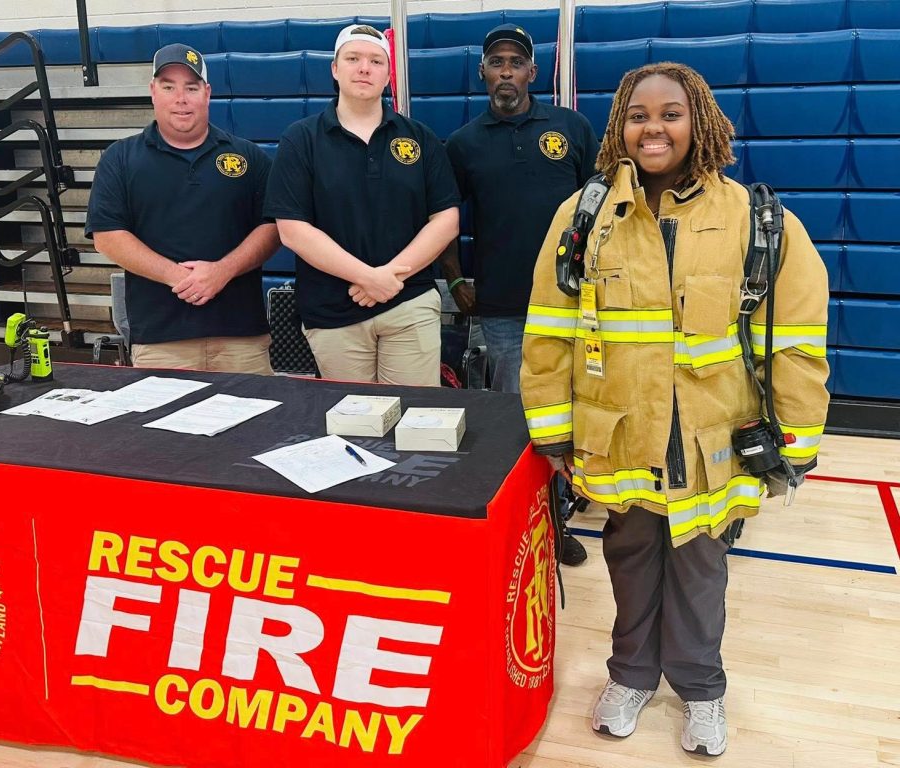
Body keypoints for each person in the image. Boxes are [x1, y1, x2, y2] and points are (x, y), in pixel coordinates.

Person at [520, 62, 830, 756]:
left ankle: (701, 689)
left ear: (702, 124)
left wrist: (799, 439)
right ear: (617, 128)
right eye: (637, 115)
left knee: (700, 572)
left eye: (669, 113)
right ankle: (629, 677)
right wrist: (553, 432)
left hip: (709, 440)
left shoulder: (756, 219)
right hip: (620, 436)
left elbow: (799, 342)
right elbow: (547, 334)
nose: (652, 126)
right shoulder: (582, 217)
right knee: (629, 562)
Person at [443, 23, 598, 566]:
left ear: (533, 73)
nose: (506, 71)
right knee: (525, 422)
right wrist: (457, 279)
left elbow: (603, 209)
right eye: (496, 63)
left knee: (576, 415)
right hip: (505, 309)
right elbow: (442, 219)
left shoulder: (572, 128)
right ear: (483, 73)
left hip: (574, 302)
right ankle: (525, 526)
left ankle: (558, 524)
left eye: (516, 63)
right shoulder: (462, 145)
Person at [264, 24, 460, 386]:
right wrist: (367, 277)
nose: (364, 68)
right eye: (353, 59)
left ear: (388, 74)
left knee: (414, 421)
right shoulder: (301, 139)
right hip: (332, 311)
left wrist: (390, 277)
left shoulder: (419, 137)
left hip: (408, 302)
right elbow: (292, 229)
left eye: (375, 60)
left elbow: (446, 220)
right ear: (335, 69)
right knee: (353, 426)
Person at [86, 43, 280, 373]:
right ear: (152, 91)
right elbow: (107, 236)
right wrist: (178, 276)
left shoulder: (249, 158)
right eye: (169, 87)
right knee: (161, 426)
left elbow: (274, 227)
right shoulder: (120, 159)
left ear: (207, 93)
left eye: (191, 88)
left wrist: (223, 271)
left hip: (241, 338)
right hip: (161, 340)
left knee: (257, 422)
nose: (181, 98)